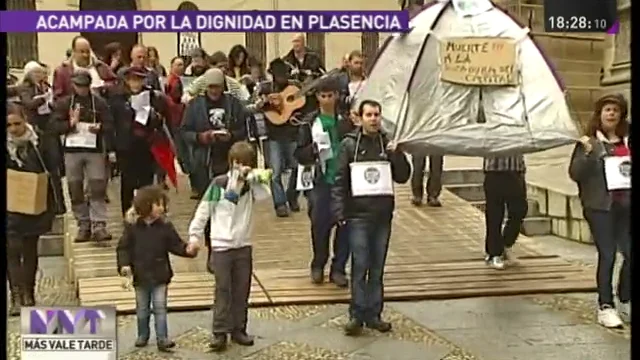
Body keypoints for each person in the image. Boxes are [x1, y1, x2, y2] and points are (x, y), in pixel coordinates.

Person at [332, 99, 410, 336]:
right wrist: (340, 212)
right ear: (360, 117)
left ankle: (374, 313)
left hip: (382, 215)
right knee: (360, 264)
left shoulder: (387, 143)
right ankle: (356, 314)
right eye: (369, 115)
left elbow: (403, 176)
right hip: (358, 215)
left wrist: (396, 155)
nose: (374, 119)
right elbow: (339, 179)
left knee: (377, 267)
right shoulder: (348, 145)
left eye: (377, 114)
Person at [187, 141, 272, 352]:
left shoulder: (251, 187)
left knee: (242, 289)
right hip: (222, 245)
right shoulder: (219, 184)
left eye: (246, 164)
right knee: (223, 289)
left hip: (243, 244)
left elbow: (265, 196)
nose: (241, 168)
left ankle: (239, 328)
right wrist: (195, 236)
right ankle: (219, 331)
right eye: (238, 163)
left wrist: (253, 179)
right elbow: (203, 211)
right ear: (231, 163)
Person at [568, 93, 631, 328]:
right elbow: (575, 174)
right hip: (599, 206)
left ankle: (625, 297)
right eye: (607, 110)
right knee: (608, 254)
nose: (611, 113)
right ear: (600, 114)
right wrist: (586, 154)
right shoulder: (589, 142)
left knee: (629, 252)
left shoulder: (628, 140)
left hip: (626, 205)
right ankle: (606, 305)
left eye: (615, 110)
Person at [116, 185, 197, 352]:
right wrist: (124, 265)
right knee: (142, 308)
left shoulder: (165, 227)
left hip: (160, 274)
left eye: (163, 204)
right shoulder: (132, 228)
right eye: (158, 204)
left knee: (160, 307)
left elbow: (175, 245)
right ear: (146, 205)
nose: (162, 208)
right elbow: (123, 248)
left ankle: (162, 338)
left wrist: (188, 250)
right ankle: (142, 334)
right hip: (140, 275)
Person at [294, 78, 354, 288]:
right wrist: (313, 149)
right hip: (320, 180)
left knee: (344, 225)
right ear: (317, 97)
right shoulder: (310, 122)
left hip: (344, 181)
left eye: (330, 95)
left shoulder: (346, 121)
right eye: (323, 96)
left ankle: (339, 268)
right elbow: (299, 154)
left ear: (337, 96)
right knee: (319, 224)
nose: (327, 99)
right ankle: (318, 263)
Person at [7, 101, 63, 315]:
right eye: (9, 125)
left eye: (17, 123)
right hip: (10, 205)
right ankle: (16, 294)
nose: (13, 129)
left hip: (34, 203)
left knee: (30, 249)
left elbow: (54, 166)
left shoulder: (39, 141)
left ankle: (28, 292)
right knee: (12, 250)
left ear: (25, 121)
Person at [49, 70, 115, 243]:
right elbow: (53, 126)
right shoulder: (64, 103)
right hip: (72, 150)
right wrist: (69, 124)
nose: (82, 89)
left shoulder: (99, 103)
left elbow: (110, 123)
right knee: (75, 187)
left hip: (94, 149)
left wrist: (100, 127)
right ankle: (83, 224)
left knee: (97, 186)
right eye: (79, 86)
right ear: (73, 85)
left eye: (85, 86)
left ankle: (99, 224)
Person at [108, 66, 174, 216]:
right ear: (127, 80)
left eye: (139, 80)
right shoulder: (118, 98)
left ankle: (146, 211)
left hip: (146, 145)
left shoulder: (153, 97)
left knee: (146, 182)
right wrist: (111, 148)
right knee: (127, 182)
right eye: (133, 80)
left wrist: (154, 115)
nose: (136, 83)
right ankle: (127, 213)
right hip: (125, 146)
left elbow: (162, 120)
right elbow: (113, 123)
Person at [180, 68, 249, 196]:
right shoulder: (195, 105)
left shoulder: (233, 104)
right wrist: (200, 137)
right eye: (211, 87)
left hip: (228, 158)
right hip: (204, 159)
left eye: (217, 87)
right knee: (207, 199)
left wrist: (231, 136)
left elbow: (243, 129)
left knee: (228, 198)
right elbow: (184, 131)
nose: (214, 91)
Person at [252, 58, 303, 217]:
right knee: (275, 172)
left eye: (284, 74)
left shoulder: (295, 87)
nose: (282, 78)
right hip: (273, 134)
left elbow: (306, 104)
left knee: (297, 168)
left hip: (292, 133)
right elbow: (253, 106)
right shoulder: (265, 88)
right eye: (278, 74)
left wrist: (298, 114)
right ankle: (280, 204)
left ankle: (292, 195)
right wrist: (264, 103)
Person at [18, 61, 66, 215]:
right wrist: (43, 98)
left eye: (41, 73)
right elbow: (29, 103)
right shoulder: (25, 88)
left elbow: (54, 104)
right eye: (37, 73)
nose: (40, 76)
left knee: (54, 168)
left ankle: (59, 205)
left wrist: (50, 100)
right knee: (37, 167)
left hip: (49, 129)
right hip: (36, 131)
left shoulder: (45, 86)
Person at [482, 152, 528, 270]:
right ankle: (493, 253)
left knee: (520, 209)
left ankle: (506, 243)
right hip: (494, 170)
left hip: (516, 169)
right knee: (495, 214)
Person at [52, 36, 117, 100]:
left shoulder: (101, 66)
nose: (85, 55)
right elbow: (58, 97)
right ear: (74, 52)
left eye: (87, 51)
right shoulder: (62, 71)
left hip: (101, 106)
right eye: (82, 52)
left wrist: (103, 87)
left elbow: (115, 83)